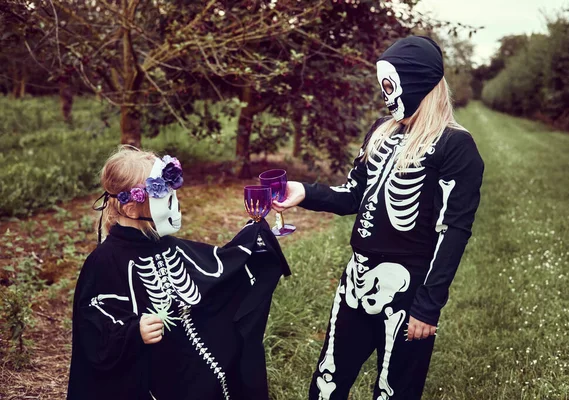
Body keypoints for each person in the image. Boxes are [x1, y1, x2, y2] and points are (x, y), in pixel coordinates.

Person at [273, 36, 484, 399]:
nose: (385, 96)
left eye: (390, 85)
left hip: (408, 290)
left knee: (393, 390)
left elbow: (453, 232)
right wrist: (305, 192)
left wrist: (428, 307)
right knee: (327, 383)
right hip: (356, 279)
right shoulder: (381, 130)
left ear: (415, 83)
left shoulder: (455, 146)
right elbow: (354, 194)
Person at [67, 147, 290, 400]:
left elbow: (219, 269)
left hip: (186, 369)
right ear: (131, 209)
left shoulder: (165, 244)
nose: (175, 205)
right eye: (165, 199)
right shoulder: (104, 262)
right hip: (143, 378)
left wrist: (253, 238)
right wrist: (133, 332)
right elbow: (93, 329)